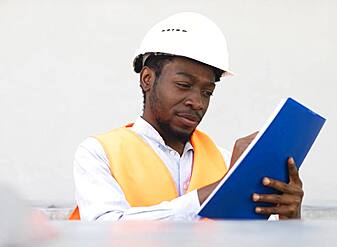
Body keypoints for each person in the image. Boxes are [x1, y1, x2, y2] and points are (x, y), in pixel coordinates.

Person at [70, 12, 303, 221]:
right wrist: (216, 194)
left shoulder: (225, 162)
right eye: (183, 84)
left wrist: (288, 220)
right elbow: (105, 230)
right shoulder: (98, 153)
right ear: (147, 79)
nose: (197, 102)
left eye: (207, 92)